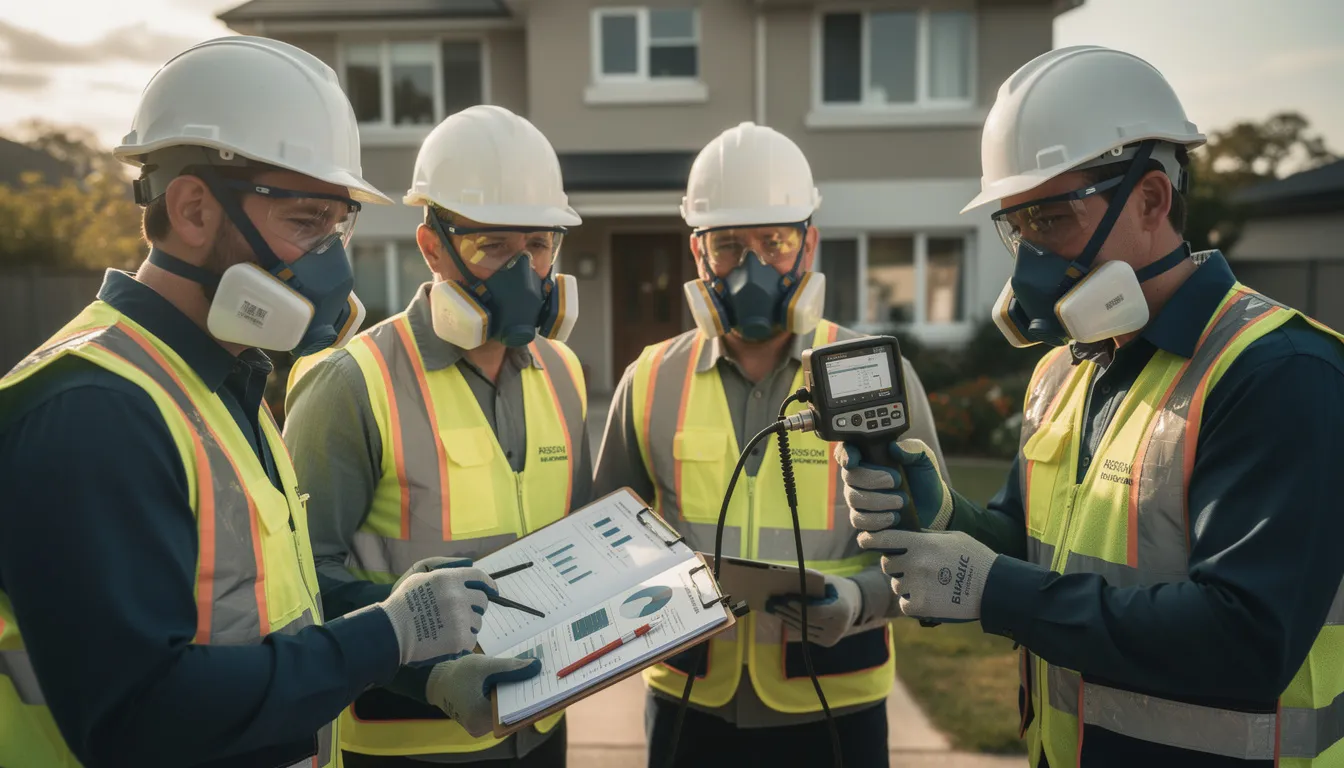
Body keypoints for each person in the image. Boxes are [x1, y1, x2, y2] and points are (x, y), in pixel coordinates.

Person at [0, 38, 527, 768]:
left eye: (336, 227)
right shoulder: (92, 411)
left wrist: (415, 648)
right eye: (305, 223)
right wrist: (387, 635)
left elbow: (265, 620)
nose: (330, 267)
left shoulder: (224, 384)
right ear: (192, 210)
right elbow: (137, 713)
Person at [842, 45, 1344, 767]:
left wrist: (991, 591)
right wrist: (953, 520)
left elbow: (1245, 638)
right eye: (1018, 226)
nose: (1030, 265)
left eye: (1052, 218)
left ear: (1151, 199)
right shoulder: (1063, 372)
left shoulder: (1278, 374)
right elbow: (1037, 545)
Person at [592, 121, 947, 768]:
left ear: (808, 243)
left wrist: (859, 601)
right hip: (688, 706)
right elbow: (600, 542)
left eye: (775, 242)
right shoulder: (649, 379)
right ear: (696, 251)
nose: (750, 268)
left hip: (836, 708)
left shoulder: (869, 372)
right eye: (726, 246)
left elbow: (940, 545)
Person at [283, 104, 590, 767]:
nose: (523, 272)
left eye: (536, 245)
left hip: (539, 733)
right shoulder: (349, 384)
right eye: (492, 246)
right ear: (431, 247)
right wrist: (426, 672)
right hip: (406, 744)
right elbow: (299, 586)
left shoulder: (563, 373)